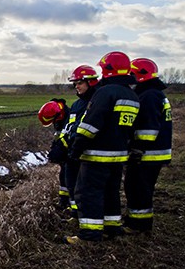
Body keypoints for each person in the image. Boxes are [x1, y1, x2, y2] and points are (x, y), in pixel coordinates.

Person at [66, 52, 139, 244]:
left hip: (97, 155)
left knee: (87, 193)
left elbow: (90, 125)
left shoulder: (105, 93)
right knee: (110, 192)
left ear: (108, 69)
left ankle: (89, 235)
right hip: (119, 156)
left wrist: (76, 148)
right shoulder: (132, 95)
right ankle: (111, 229)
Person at [124, 58, 173, 234]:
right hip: (154, 153)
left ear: (139, 75)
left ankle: (139, 226)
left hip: (148, 154)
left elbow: (148, 129)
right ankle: (135, 221)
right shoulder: (155, 93)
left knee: (138, 189)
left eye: (131, 74)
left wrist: (137, 149)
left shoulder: (149, 96)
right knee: (138, 187)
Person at [64, 65, 100, 217]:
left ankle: (88, 222)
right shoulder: (77, 104)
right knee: (72, 184)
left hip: (89, 152)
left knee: (86, 189)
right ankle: (76, 213)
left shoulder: (98, 101)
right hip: (74, 151)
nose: (76, 86)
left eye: (79, 83)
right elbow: (70, 127)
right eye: (75, 83)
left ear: (90, 82)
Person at [38, 99, 70, 210]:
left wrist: (61, 149)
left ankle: (70, 203)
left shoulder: (69, 117)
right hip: (64, 153)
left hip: (70, 153)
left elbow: (70, 136)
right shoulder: (58, 118)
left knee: (69, 174)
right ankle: (64, 200)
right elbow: (58, 136)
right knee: (63, 174)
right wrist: (55, 147)